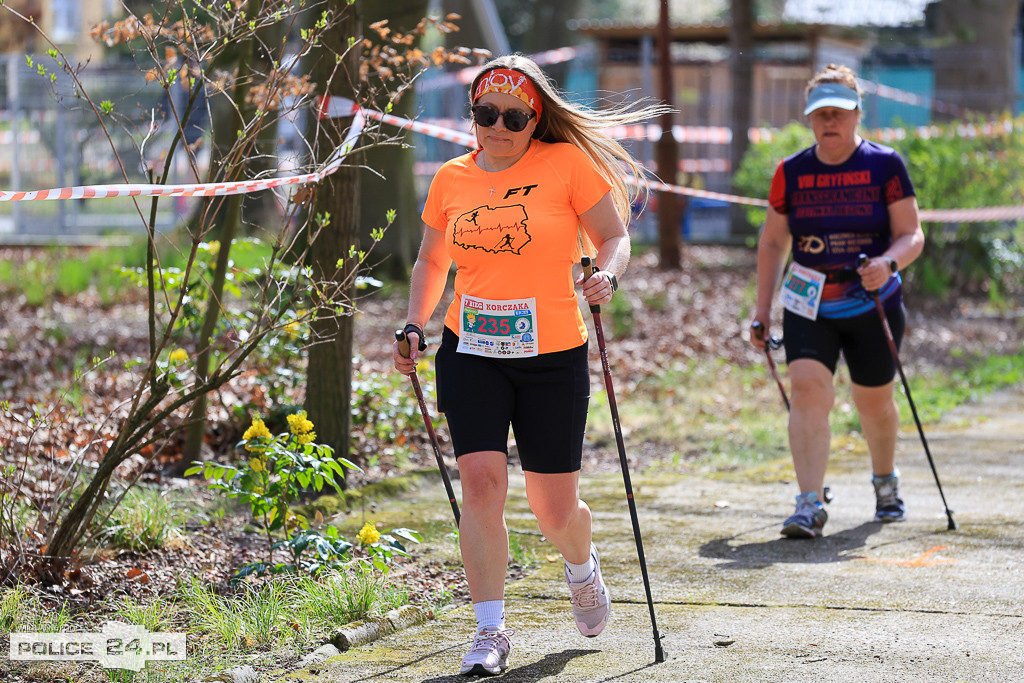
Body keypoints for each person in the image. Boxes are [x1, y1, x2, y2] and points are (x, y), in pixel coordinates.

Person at [393, 54, 669, 676]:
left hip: (553, 355)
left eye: (514, 117)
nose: (498, 126)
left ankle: (582, 564)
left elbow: (613, 236)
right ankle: (489, 631)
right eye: (485, 113)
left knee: (553, 509)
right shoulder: (451, 179)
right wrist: (414, 323)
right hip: (472, 351)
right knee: (483, 487)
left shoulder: (566, 165)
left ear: (534, 117)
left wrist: (607, 273)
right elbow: (432, 263)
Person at [749, 64, 925, 539]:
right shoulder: (791, 172)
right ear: (809, 118)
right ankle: (808, 504)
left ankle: (885, 482)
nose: (830, 122)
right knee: (808, 390)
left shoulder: (885, 165)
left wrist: (887, 263)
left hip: (873, 302)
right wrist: (762, 310)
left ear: (857, 114)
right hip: (808, 303)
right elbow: (772, 243)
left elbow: (911, 234)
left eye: (840, 113)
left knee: (875, 404)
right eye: (820, 113)